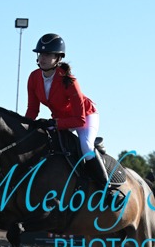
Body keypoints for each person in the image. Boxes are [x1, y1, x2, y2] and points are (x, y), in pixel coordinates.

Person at [25, 33, 123, 207]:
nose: (42, 58)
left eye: (48, 54)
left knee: (86, 147)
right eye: (40, 54)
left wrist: (56, 123)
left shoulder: (69, 80)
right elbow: (33, 109)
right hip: (61, 119)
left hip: (86, 116)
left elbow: (79, 120)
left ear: (58, 58)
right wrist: (25, 128)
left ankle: (108, 190)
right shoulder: (33, 77)